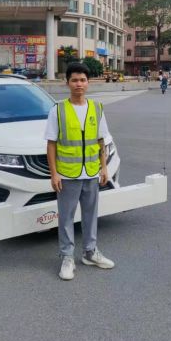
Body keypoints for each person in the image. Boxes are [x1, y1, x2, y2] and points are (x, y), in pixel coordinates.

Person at [45, 62, 115, 281]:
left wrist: (104, 168)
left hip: (92, 172)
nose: (79, 84)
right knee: (66, 217)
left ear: (88, 82)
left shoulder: (97, 108)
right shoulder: (58, 110)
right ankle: (67, 257)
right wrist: (54, 173)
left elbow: (101, 140)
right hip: (68, 174)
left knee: (90, 215)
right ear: (67, 83)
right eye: (74, 80)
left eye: (83, 80)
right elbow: (51, 144)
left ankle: (90, 252)